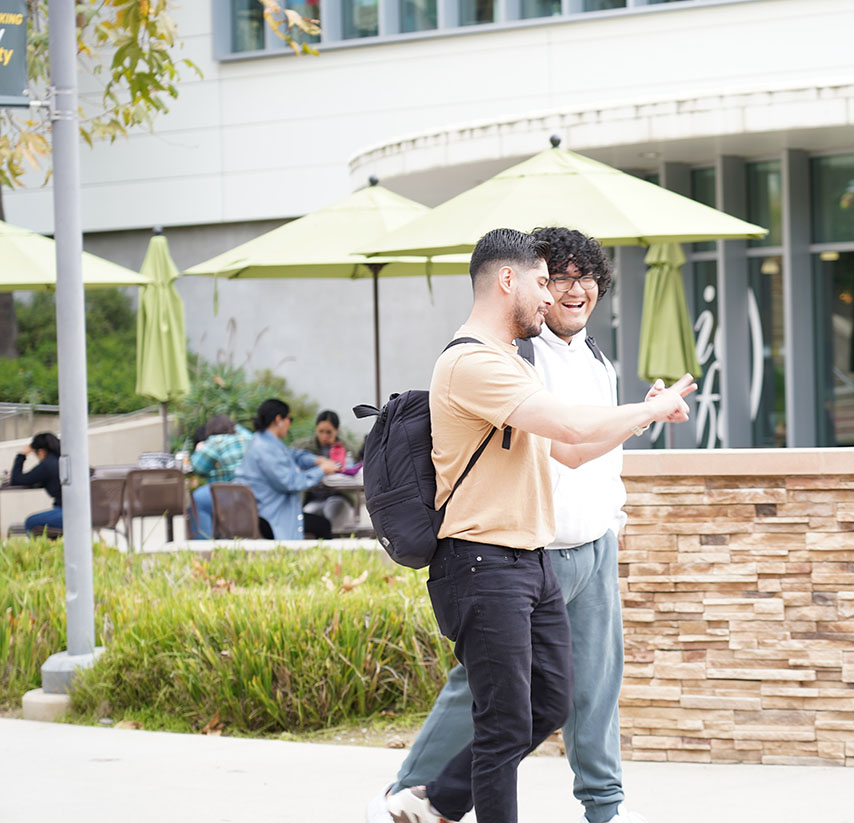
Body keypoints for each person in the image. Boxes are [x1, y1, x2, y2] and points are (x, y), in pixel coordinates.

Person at [371, 228, 692, 823]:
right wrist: (648, 409)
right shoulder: (473, 362)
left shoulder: (522, 361)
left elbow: (568, 451)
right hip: (481, 557)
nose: (554, 296)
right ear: (508, 280)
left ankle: (434, 801)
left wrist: (638, 419)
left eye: (574, 280)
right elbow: (568, 427)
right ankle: (412, 796)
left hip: (528, 559)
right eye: (547, 281)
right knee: (500, 721)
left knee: (548, 701)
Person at [235, 398, 337, 540]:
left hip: (266, 511)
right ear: (279, 419)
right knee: (323, 525)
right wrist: (321, 470)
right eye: (289, 419)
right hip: (271, 517)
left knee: (320, 523)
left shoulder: (264, 441)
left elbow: (291, 455)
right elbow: (291, 482)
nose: (289, 424)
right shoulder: (265, 448)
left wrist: (316, 460)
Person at [188, 414, 253, 539]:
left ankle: (202, 544)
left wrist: (199, 449)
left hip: (231, 493)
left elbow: (198, 467)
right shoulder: (247, 436)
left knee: (198, 500)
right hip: (253, 492)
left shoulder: (216, 441)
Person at [294, 410, 356, 533]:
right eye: (321, 431)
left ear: (337, 430)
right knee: (306, 519)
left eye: (329, 432)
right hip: (313, 498)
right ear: (316, 429)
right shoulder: (304, 448)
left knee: (333, 517)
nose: (324, 436)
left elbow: (353, 468)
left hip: (338, 496)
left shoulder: (346, 448)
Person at [12, 432, 62, 536]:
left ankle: (42, 550)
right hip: (93, 512)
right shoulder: (65, 460)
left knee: (31, 522)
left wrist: (21, 455)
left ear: (41, 452)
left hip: (68, 513)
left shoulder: (47, 465)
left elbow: (16, 480)